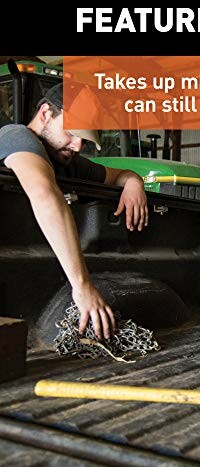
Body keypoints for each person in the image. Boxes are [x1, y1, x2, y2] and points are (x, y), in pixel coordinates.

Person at [0, 83, 148, 340]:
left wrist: (134, 183)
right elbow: (44, 193)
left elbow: (123, 175)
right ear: (45, 114)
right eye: (71, 132)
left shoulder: (65, 160)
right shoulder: (17, 137)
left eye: (84, 138)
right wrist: (82, 287)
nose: (78, 145)